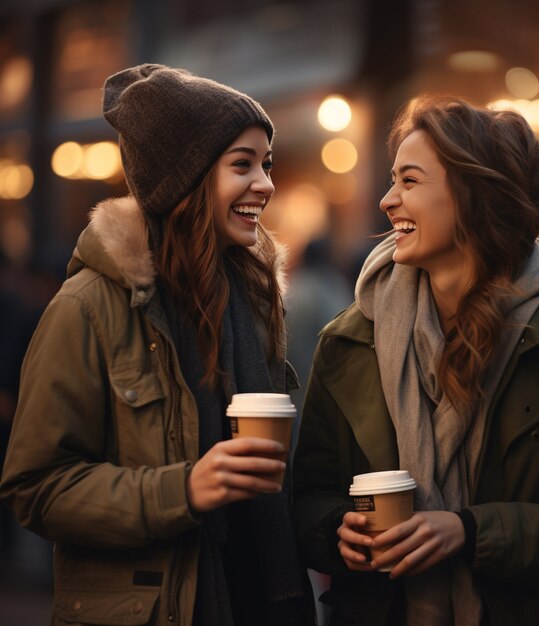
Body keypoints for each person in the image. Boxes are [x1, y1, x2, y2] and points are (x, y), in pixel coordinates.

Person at [292, 95, 539, 626]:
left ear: (473, 198)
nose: (386, 200)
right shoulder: (350, 342)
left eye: (409, 181)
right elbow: (308, 496)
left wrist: (470, 531)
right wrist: (338, 531)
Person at [0, 64, 315, 626]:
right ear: (186, 178)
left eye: (266, 165)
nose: (266, 183)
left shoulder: (255, 301)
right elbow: (35, 487)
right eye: (241, 165)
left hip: (257, 600)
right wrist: (183, 490)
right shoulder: (89, 306)